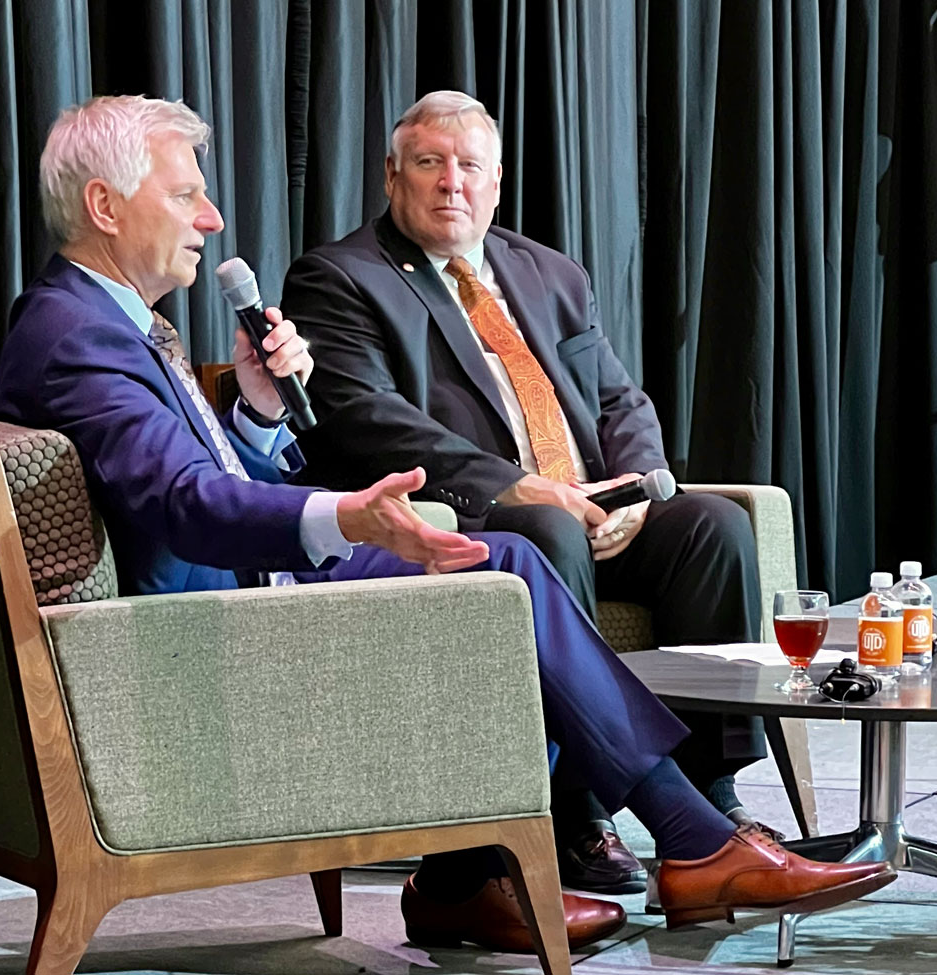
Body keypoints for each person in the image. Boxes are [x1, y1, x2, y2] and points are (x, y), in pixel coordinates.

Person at [0, 94, 892, 955]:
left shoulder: (106, 321)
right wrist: (354, 515)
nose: (212, 217)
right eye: (186, 193)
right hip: (200, 630)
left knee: (553, 557)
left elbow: (198, 479)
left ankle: (551, 862)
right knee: (501, 565)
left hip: (227, 590)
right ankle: (670, 846)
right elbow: (186, 509)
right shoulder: (80, 334)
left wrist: (259, 411)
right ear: (105, 206)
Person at [282, 90, 775, 891]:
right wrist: (518, 486)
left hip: (597, 510)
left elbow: (619, 400)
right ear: (391, 176)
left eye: (469, 166)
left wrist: (640, 488)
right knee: (539, 533)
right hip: (481, 519)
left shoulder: (549, 272)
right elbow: (370, 420)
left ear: (497, 180)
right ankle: (577, 812)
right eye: (430, 164)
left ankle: (714, 794)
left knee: (710, 526)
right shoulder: (341, 277)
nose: (451, 184)